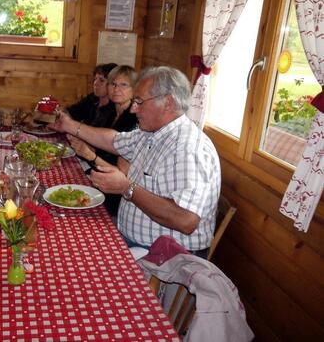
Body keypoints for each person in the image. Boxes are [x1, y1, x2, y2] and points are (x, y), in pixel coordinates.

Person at [50, 66, 221, 257]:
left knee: (72, 254)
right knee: (64, 237)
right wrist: (70, 125)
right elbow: (113, 140)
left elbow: (186, 220)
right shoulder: (152, 133)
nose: (133, 108)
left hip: (164, 258)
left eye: (139, 101)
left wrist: (127, 188)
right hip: (132, 240)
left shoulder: (188, 148)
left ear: (168, 103)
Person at [68, 65, 138, 216]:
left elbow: (122, 175)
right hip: (97, 180)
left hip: (115, 199)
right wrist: (83, 144)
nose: (116, 89)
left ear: (134, 89)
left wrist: (89, 155)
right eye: (113, 84)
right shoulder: (111, 112)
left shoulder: (133, 121)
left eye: (123, 85)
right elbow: (100, 150)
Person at [66, 63, 118, 127]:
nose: (95, 83)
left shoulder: (115, 108)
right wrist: (56, 111)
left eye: (101, 80)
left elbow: (100, 133)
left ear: (113, 84)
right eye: (95, 79)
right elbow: (72, 113)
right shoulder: (92, 98)